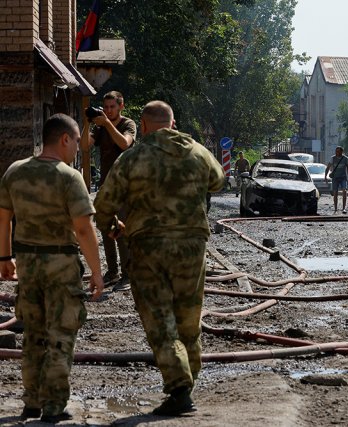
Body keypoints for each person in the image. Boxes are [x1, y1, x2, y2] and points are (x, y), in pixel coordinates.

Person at [93, 100, 225, 416]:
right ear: (173, 122)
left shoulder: (131, 157)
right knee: (188, 318)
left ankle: (180, 390)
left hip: (147, 247)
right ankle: (187, 382)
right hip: (192, 246)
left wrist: (113, 228)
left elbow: (104, 203)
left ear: (145, 125)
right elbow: (218, 180)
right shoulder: (196, 151)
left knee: (159, 319)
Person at [0, 113, 104, 423]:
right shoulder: (69, 177)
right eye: (76, 142)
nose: (77, 148)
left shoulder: (14, 172)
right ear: (64, 139)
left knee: (33, 334)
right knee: (60, 334)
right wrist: (97, 272)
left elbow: (3, 218)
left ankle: (31, 401)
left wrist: (4, 259)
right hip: (61, 263)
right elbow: (84, 229)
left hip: (27, 264)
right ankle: (54, 406)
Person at [81, 90, 137, 291]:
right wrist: (88, 122)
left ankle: (127, 275)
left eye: (112, 106)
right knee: (106, 230)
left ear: (121, 106)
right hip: (106, 186)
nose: (108, 110)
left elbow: (124, 143)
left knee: (121, 230)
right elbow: (84, 147)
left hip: (124, 187)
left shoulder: (128, 124)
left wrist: (107, 124)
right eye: (105, 107)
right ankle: (112, 271)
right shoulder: (101, 126)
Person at [325, 146, 348, 214]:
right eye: (336, 151)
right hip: (335, 178)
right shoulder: (332, 158)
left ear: (342, 152)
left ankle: (344, 208)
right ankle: (336, 209)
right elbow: (328, 167)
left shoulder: (346, 159)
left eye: (339, 151)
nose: (337, 153)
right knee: (335, 192)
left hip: (343, 177)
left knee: (344, 191)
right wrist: (325, 176)